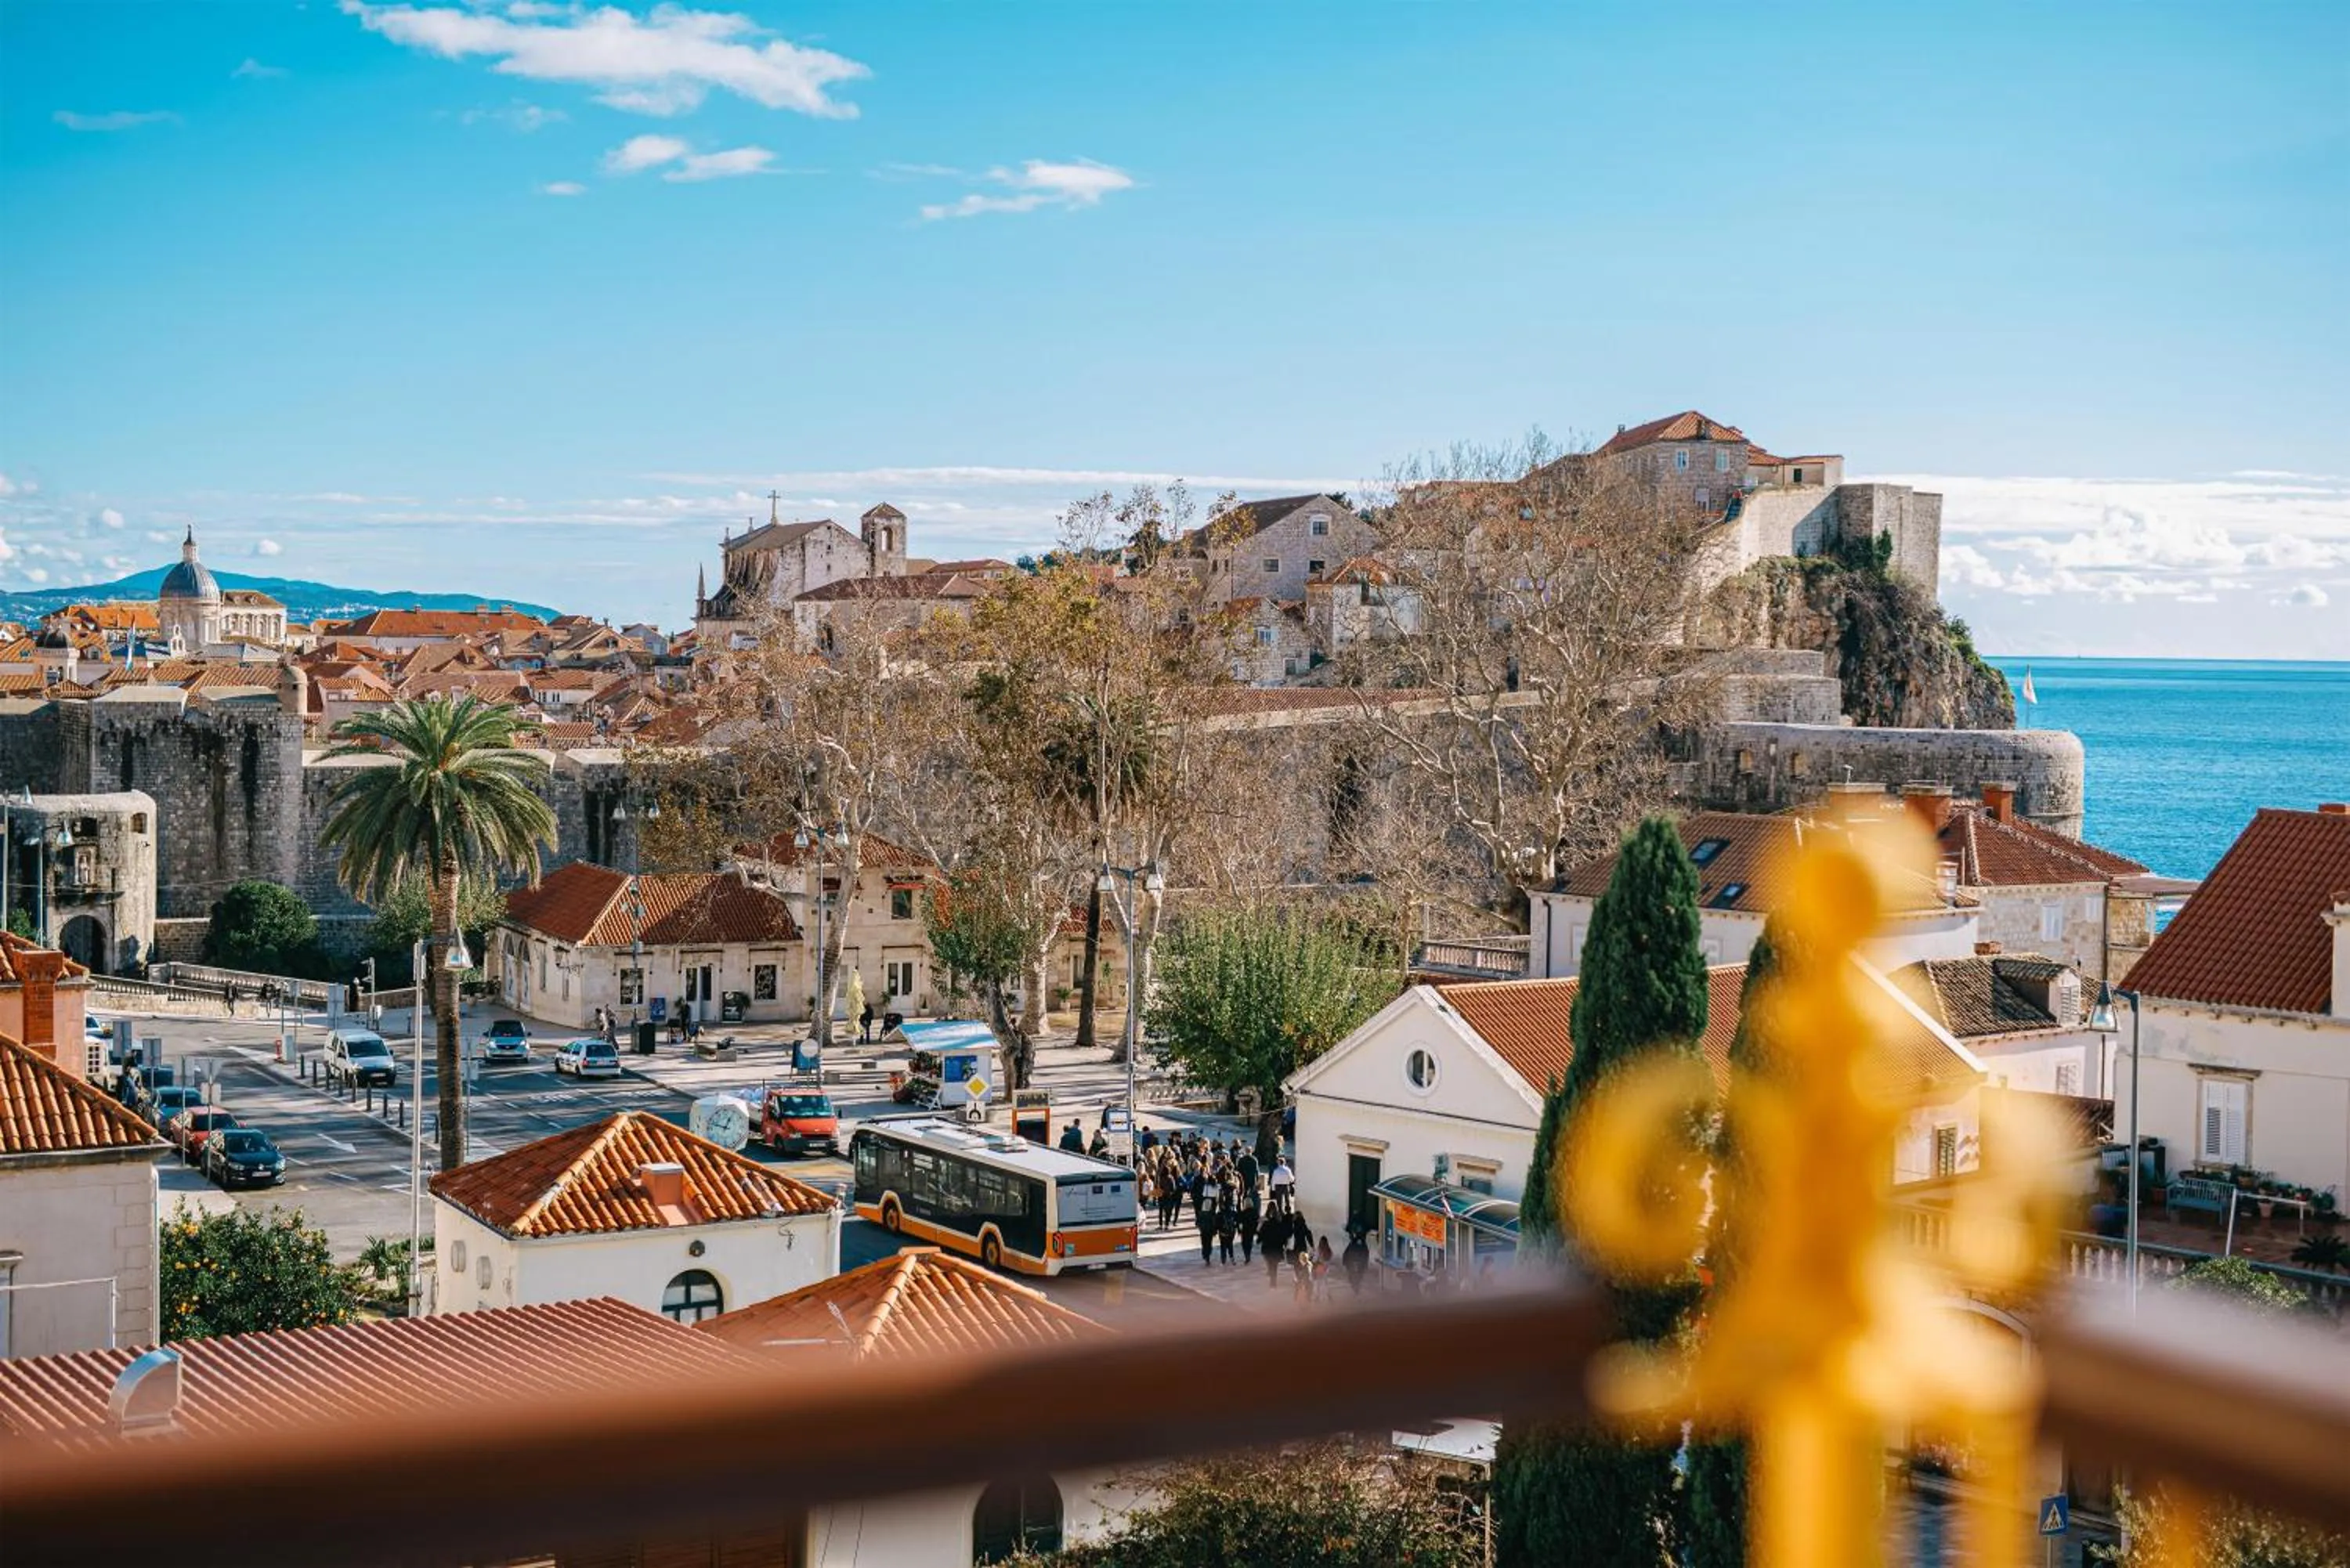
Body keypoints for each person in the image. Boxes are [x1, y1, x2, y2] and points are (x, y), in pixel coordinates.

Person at [1258, 1209, 1289, 1290]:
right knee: (1275, 1265)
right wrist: (1284, 1244)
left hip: (1267, 1248)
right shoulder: (1280, 1225)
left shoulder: (1266, 1224)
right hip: (1277, 1248)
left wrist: (1259, 1240)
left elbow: (1261, 1235)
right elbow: (1284, 1236)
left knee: (1270, 1263)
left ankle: (1272, 1280)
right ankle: (1273, 1280)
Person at [1342, 1227, 1371, 1295]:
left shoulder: (1354, 1244)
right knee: (1355, 1276)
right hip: (1356, 1263)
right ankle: (1356, 1287)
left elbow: (1346, 1253)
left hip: (1356, 1263)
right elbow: (1347, 1253)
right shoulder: (1357, 1244)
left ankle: (1356, 1287)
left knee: (1356, 1276)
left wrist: (1345, 1262)